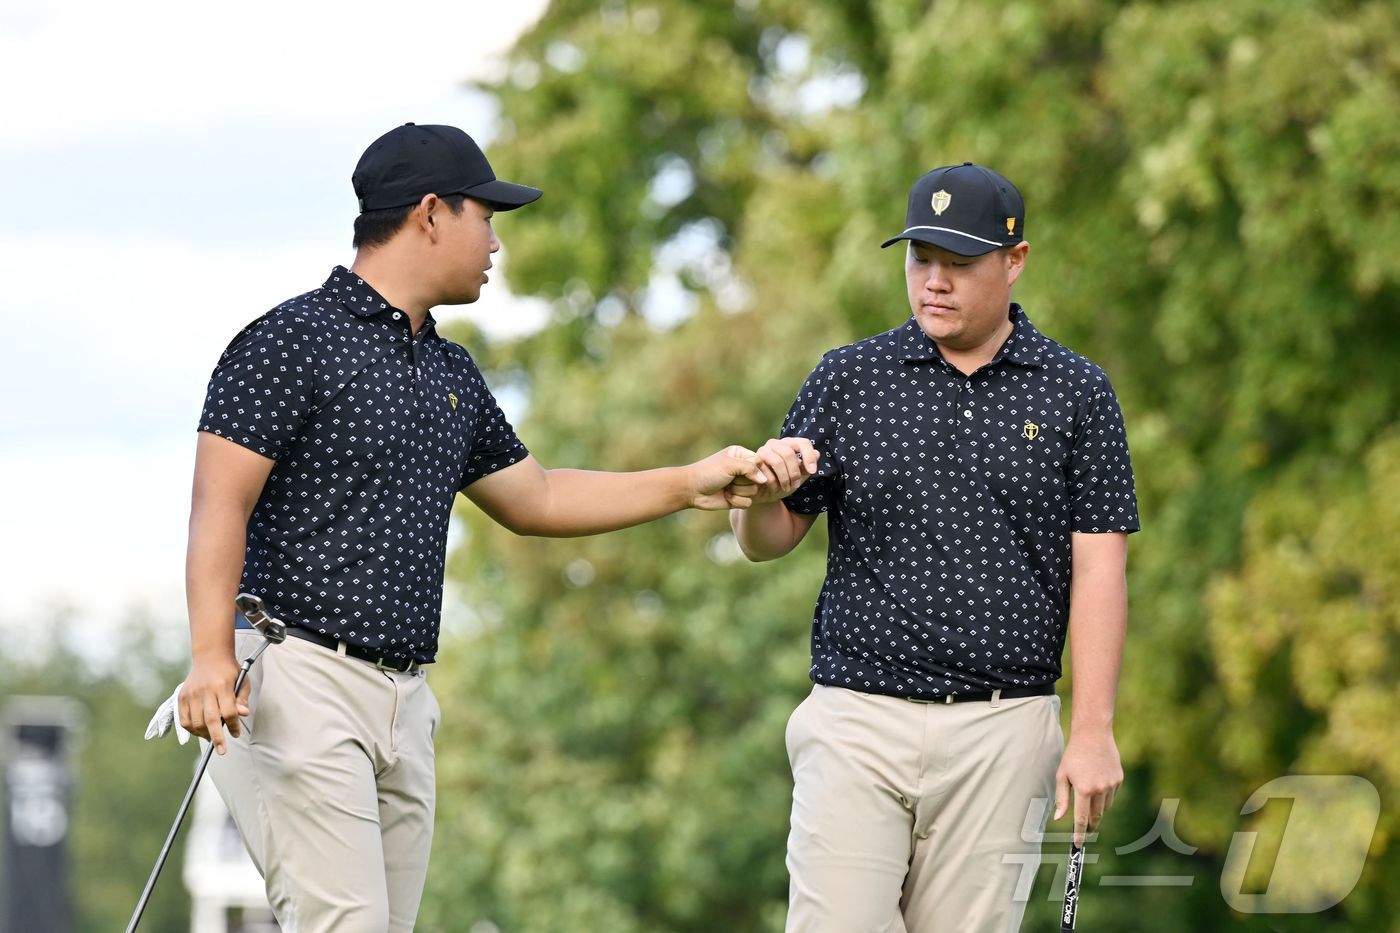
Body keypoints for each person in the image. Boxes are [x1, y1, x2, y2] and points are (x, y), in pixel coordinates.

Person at [178, 122, 771, 932]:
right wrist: (210, 654)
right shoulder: (289, 342)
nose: (496, 240)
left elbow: (540, 499)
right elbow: (220, 502)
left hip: (406, 698)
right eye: (485, 217)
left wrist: (691, 484)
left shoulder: (450, 371)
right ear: (429, 213)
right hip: (293, 677)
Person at [731, 162, 1140, 931]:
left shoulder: (1077, 392)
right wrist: (758, 498)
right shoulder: (849, 377)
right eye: (922, 260)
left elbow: (1100, 567)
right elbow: (771, 536)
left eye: (960, 264)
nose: (935, 283)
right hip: (857, 718)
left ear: (1014, 262)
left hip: (1003, 725)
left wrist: (1092, 731)